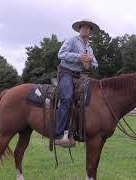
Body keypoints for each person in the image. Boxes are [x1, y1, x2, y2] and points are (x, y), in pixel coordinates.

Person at [55, 19, 99, 148]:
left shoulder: (89, 48)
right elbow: (61, 54)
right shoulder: (72, 40)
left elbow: (95, 65)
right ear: (79, 30)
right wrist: (79, 57)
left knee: (91, 99)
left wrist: (90, 61)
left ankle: (76, 132)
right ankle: (58, 135)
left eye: (88, 28)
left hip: (80, 76)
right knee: (67, 97)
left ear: (91, 32)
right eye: (83, 27)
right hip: (66, 73)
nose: (85, 29)